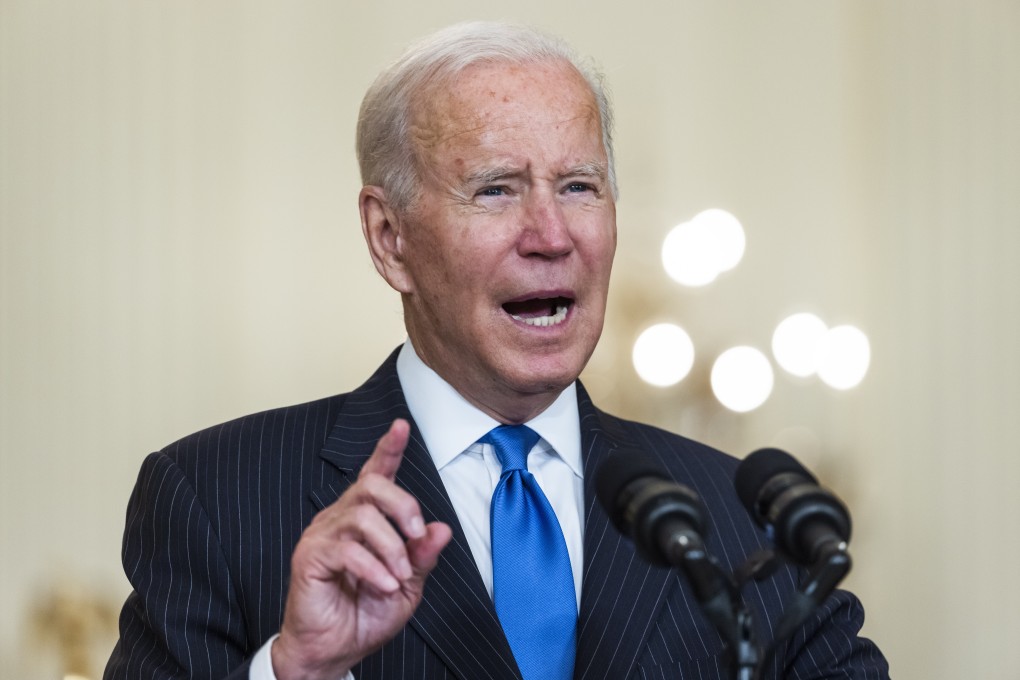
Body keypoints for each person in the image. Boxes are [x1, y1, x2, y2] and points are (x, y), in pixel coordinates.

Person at [104, 21, 890, 680]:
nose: (552, 236)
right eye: (496, 189)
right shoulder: (214, 498)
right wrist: (296, 670)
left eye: (580, 186)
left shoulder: (747, 523)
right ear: (390, 238)